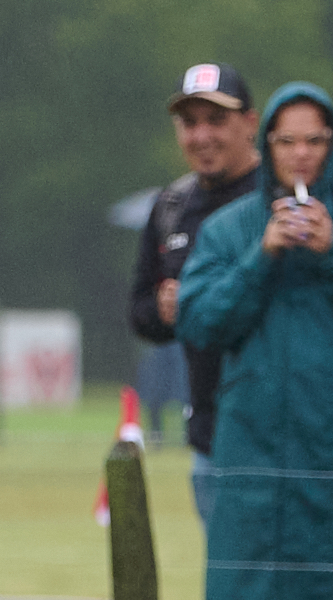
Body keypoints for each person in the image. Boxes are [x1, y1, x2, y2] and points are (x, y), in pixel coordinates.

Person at [178, 82, 333, 600]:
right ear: (266, 147)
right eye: (288, 141)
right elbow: (202, 324)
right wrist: (261, 257)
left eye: (316, 140)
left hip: (325, 446)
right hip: (260, 453)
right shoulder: (233, 228)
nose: (301, 154)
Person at [129, 63, 262, 523]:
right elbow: (139, 313)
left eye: (216, 119)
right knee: (227, 588)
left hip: (286, 436)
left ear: (251, 122)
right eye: (189, 122)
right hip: (209, 438)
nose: (202, 135)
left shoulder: (282, 200)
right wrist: (167, 312)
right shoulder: (171, 207)